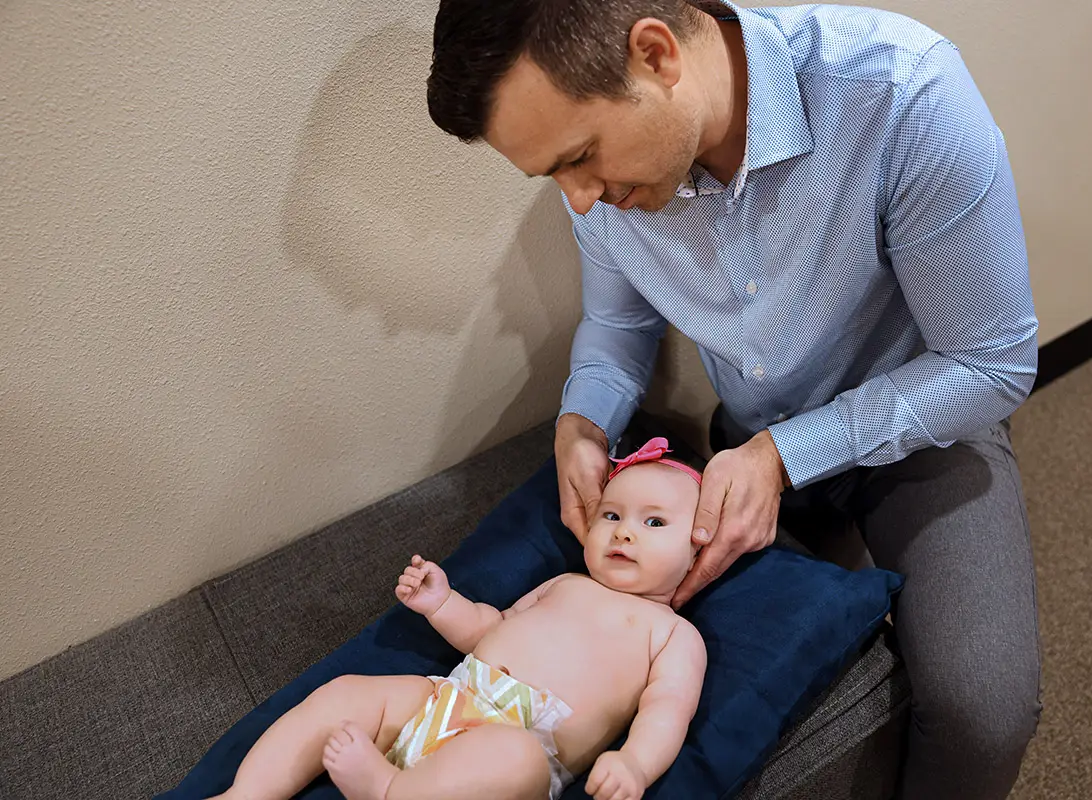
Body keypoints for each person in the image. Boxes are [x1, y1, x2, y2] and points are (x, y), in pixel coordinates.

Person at [425, 1, 1043, 798]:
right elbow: (618, 324)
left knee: (983, 710)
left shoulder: (901, 94)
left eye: (580, 158)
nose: (578, 201)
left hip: (925, 427)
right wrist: (583, 422)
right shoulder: (606, 190)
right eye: (554, 176)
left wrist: (789, 455)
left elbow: (991, 362)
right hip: (745, 445)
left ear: (655, 55)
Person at [206, 439, 707, 800]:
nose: (623, 533)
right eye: (612, 516)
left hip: (523, 752)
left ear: (699, 543)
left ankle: (388, 789)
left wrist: (635, 765)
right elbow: (492, 627)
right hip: (447, 698)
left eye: (654, 521)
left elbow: (667, 709)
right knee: (346, 693)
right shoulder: (566, 584)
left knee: (515, 759)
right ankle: (246, 793)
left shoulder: (672, 635)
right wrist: (442, 604)